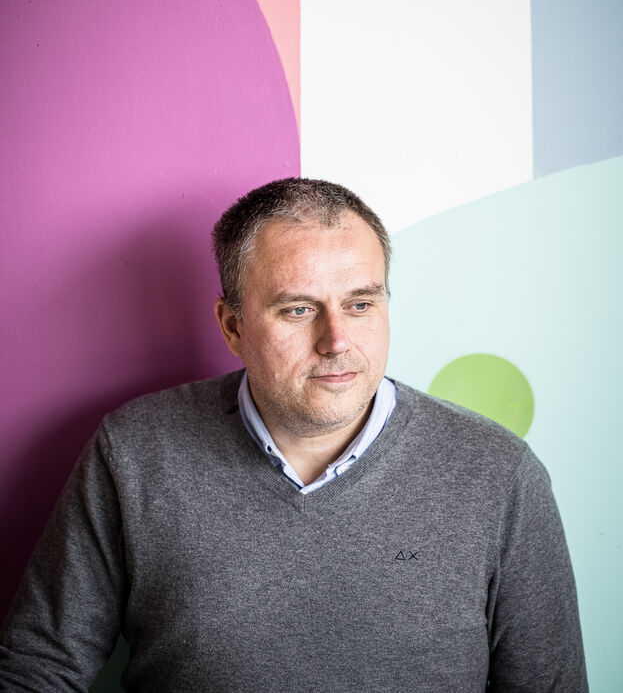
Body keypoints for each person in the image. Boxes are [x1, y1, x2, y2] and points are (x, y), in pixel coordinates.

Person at [0, 177, 588, 691]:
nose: (337, 341)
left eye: (360, 304)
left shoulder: (498, 475)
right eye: (299, 310)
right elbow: (38, 668)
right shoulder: (134, 452)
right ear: (233, 327)